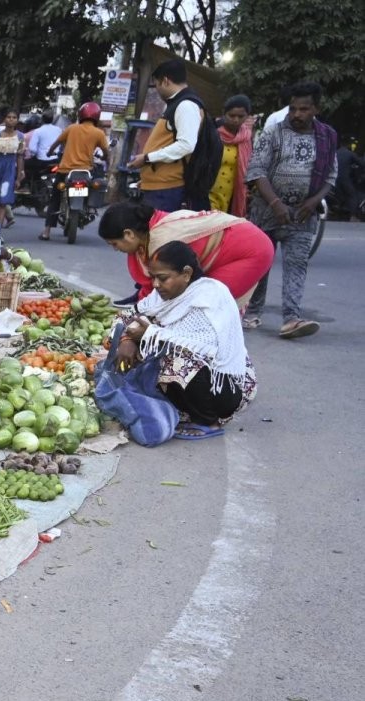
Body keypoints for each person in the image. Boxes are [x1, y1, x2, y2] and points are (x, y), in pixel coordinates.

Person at [113, 241, 256, 440]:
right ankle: (186, 411)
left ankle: (207, 421)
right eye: (153, 278)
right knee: (137, 349)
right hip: (203, 382)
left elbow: (205, 346)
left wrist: (150, 334)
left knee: (176, 358)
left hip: (225, 390)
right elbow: (126, 317)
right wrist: (127, 339)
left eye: (162, 278)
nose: (155, 285)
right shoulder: (161, 296)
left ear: (186, 274)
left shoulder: (210, 295)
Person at [245, 82, 336, 339]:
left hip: (303, 215)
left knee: (297, 265)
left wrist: (313, 200)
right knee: (261, 262)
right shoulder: (272, 133)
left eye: (304, 109)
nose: (297, 114)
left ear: (316, 109)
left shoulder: (326, 137)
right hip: (266, 212)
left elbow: (331, 174)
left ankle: (291, 318)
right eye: (293, 109)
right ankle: (251, 311)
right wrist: (275, 203)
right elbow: (256, 171)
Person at [98, 202, 275, 312]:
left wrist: (140, 317)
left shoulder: (163, 239)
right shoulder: (149, 232)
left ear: (129, 234)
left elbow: (175, 292)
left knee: (204, 307)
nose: (115, 249)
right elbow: (153, 290)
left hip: (251, 250)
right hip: (238, 241)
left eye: (114, 244)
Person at [127, 58, 217, 211]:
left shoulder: (186, 105)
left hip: (168, 190)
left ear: (166, 81)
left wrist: (147, 158)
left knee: (159, 234)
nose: (157, 90)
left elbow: (186, 145)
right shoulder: (177, 104)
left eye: (157, 85)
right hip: (160, 188)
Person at [39, 102, 109, 240]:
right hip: (85, 171)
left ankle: (46, 232)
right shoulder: (99, 133)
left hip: (65, 170)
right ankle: (86, 208)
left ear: (81, 115)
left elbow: (57, 143)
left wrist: (49, 152)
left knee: (55, 199)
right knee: (92, 188)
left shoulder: (71, 128)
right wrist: (105, 157)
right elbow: (106, 152)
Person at [211, 96, 257, 215]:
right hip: (210, 193)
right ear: (224, 114)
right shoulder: (213, 134)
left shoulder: (246, 138)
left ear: (247, 116)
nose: (236, 120)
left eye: (240, 116)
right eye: (232, 116)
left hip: (232, 195)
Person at [0, 108, 26, 228]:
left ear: (17, 120)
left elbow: (20, 157)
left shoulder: (21, 137)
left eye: (14, 118)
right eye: (9, 117)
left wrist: (19, 176)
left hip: (9, 169)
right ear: (4, 119)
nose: (11, 120)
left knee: (3, 201)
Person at [23, 113, 63, 203]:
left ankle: (25, 185)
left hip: (41, 160)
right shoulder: (59, 130)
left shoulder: (38, 131)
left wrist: (35, 153)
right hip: (55, 159)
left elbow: (32, 148)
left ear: (42, 120)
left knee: (23, 164)